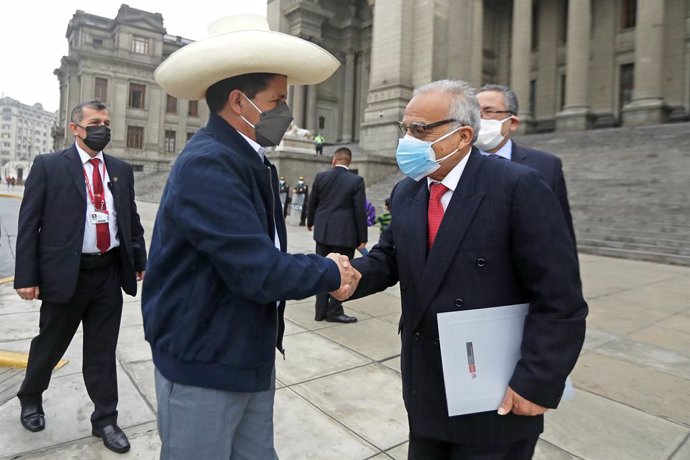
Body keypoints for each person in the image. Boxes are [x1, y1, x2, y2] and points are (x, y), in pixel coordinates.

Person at [143, 14, 357, 459]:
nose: (287, 113)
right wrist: (328, 270)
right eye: (277, 100)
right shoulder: (210, 163)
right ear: (239, 102)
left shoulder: (246, 157)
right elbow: (258, 269)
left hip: (243, 352)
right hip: (205, 361)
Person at [344, 80, 587, 459]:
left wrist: (537, 382)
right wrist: (351, 277)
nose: (408, 139)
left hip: (496, 393)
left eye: (420, 130)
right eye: (405, 128)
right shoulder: (410, 191)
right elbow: (390, 256)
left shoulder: (517, 186)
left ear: (462, 136)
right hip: (426, 384)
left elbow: (559, 297)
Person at [14, 99, 147, 454]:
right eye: (94, 121)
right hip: (64, 274)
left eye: (106, 121)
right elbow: (29, 225)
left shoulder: (120, 169)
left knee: (102, 351)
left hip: (107, 272)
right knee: (50, 344)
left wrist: (138, 257)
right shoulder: (49, 166)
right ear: (76, 128)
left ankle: (105, 419)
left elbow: (129, 219)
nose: (102, 127)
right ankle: (30, 397)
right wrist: (26, 276)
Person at [475, 84, 576, 244]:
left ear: (513, 122)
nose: (479, 119)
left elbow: (560, 233)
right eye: (474, 113)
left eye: (488, 112)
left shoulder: (546, 166)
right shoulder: (452, 164)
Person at [307, 146, 367, 323]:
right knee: (343, 273)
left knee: (322, 269)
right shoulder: (356, 181)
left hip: (323, 232)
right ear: (349, 162)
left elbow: (313, 202)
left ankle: (320, 311)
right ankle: (334, 311)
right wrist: (362, 237)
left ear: (334, 160)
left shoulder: (321, 177)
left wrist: (310, 221)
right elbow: (359, 211)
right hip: (344, 234)